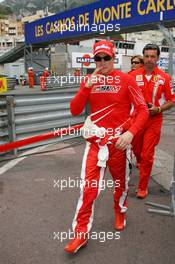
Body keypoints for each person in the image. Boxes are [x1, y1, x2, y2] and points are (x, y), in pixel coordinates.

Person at [64, 40, 149, 254]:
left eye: (106, 58)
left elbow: (143, 110)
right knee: (88, 190)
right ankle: (80, 233)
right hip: (95, 145)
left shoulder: (127, 80)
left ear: (114, 58)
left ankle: (120, 211)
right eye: (98, 58)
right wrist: (86, 87)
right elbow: (74, 110)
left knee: (120, 185)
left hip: (119, 145)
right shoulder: (88, 80)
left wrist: (130, 133)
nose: (102, 62)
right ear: (94, 60)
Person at [130, 43, 174, 199]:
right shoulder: (132, 76)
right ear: (143, 56)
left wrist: (159, 109)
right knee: (137, 151)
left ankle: (143, 187)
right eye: (146, 56)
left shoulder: (165, 78)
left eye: (152, 56)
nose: (149, 59)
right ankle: (141, 162)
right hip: (136, 120)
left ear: (157, 58)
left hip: (154, 120)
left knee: (147, 154)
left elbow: (171, 100)